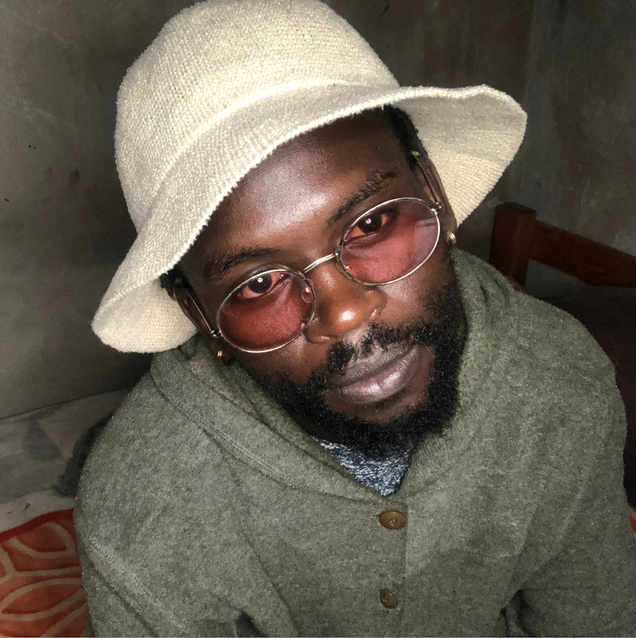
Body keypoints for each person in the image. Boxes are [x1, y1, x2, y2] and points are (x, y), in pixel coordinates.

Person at [75, 1, 636, 635]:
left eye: (371, 224)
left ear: (433, 189)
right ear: (199, 316)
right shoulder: (144, 507)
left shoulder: (562, 383)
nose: (344, 314)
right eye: (258, 284)